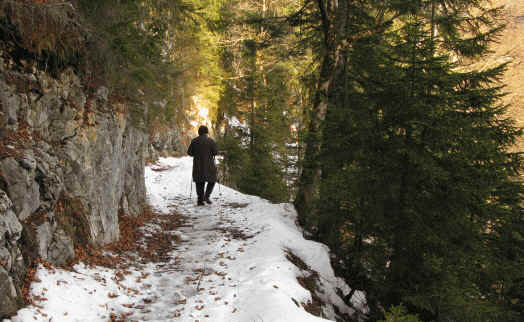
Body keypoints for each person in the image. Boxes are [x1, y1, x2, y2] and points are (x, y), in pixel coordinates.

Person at [187, 125, 218, 206]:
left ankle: (200, 200)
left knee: (199, 182)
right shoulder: (211, 141)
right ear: (207, 132)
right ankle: (206, 196)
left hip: (198, 165)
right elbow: (215, 152)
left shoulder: (194, 141)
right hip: (209, 165)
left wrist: (196, 153)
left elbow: (189, 152)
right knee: (212, 180)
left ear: (199, 132)